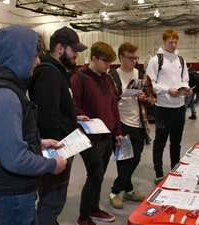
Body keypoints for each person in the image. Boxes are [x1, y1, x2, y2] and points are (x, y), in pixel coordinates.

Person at [0, 24, 67, 225]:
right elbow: (14, 159)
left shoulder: (7, 87)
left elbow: (4, 140)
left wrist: (38, 143)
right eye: (34, 56)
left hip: (13, 191)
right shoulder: (3, 96)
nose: (38, 61)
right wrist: (51, 164)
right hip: (9, 195)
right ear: (18, 56)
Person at [28, 26, 87, 225]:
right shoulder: (49, 73)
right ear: (60, 48)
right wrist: (56, 155)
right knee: (52, 200)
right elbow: (47, 117)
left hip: (60, 144)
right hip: (56, 148)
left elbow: (57, 107)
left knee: (52, 200)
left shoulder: (58, 72)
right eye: (74, 51)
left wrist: (74, 118)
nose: (76, 56)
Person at [70, 41, 122, 225]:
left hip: (107, 137)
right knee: (95, 175)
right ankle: (83, 217)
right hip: (88, 138)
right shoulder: (79, 79)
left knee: (99, 176)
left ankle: (94, 209)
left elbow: (112, 107)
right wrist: (79, 116)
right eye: (106, 62)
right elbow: (73, 106)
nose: (109, 66)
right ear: (94, 58)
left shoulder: (107, 79)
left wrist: (117, 131)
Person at [107, 42, 157, 209]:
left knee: (134, 158)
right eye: (130, 58)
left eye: (135, 58)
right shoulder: (112, 76)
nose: (133, 61)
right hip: (119, 124)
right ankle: (126, 190)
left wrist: (145, 98)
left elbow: (153, 98)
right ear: (121, 57)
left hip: (138, 124)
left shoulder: (141, 75)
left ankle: (116, 189)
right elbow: (106, 101)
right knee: (122, 160)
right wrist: (119, 97)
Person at [145, 29, 192, 184]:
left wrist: (186, 90)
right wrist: (167, 90)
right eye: (170, 42)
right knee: (160, 142)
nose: (173, 44)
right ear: (164, 42)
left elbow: (184, 79)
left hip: (179, 108)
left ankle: (175, 168)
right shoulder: (156, 60)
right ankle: (159, 174)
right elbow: (150, 83)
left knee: (176, 142)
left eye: (175, 42)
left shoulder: (181, 60)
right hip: (163, 108)